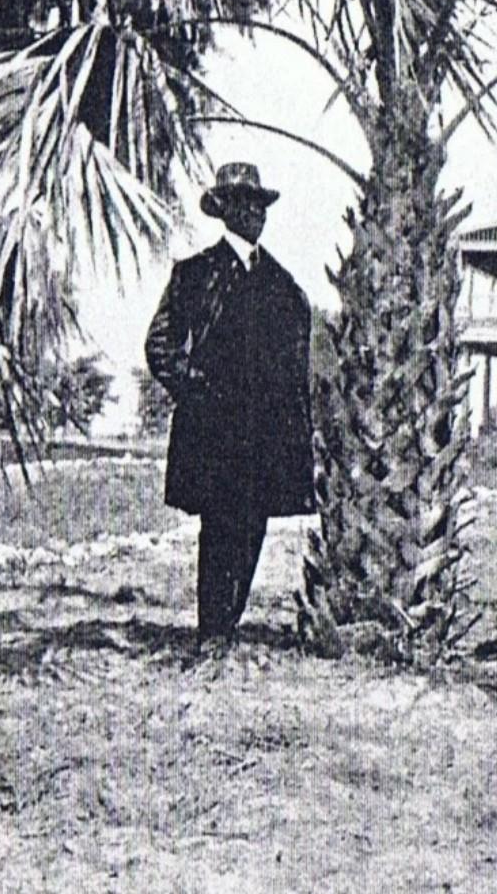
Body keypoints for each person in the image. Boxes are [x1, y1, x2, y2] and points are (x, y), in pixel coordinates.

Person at [145, 161, 314, 656]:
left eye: (259, 205)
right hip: (213, 431)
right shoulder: (195, 275)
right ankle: (212, 630)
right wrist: (196, 389)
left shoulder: (284, 288)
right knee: (219, 524)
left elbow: (295, 365)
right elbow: (160, 346)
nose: (254, 214)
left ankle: (230, 623)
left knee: (253, 524)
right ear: (224, 211)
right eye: (243, 204)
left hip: (264, 434)